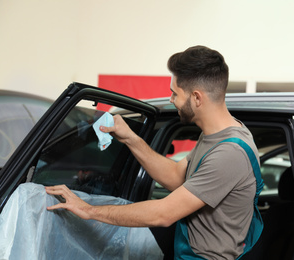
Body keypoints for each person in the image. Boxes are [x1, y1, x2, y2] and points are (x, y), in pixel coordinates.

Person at [46, 45, 263, 259]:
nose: (171, 100)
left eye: (174, 93)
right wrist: (131, 138)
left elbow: (164, 213)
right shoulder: (215, 134)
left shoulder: (229, 152)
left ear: (197, 98)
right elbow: (176, 177)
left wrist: (89, 210)